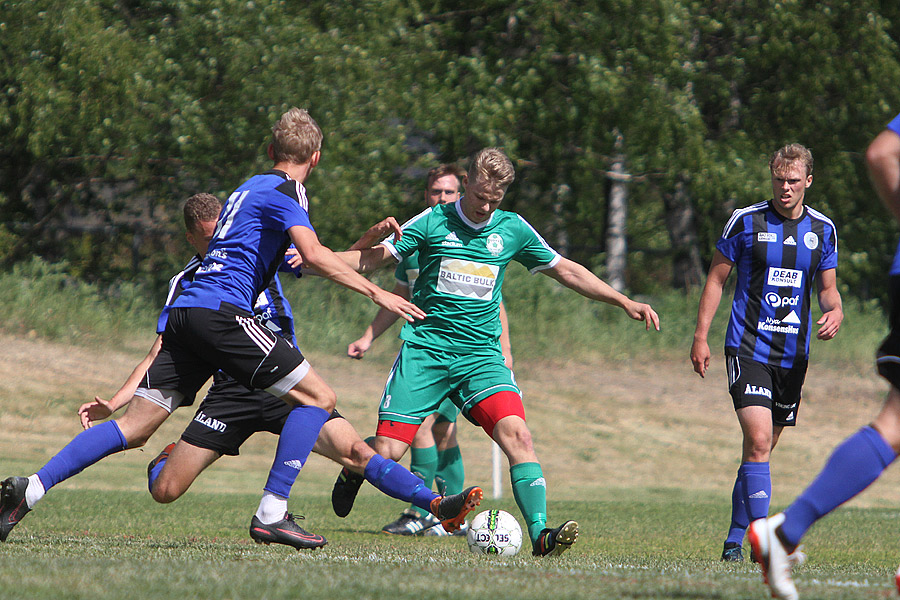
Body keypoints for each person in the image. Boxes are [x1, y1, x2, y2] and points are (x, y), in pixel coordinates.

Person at [0, 108, 479, 547]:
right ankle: (272, 512)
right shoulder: (290, 191)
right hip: (223, 317)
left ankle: (29, 489)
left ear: (271, 152)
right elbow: (312, 256)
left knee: (135, 429)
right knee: (320, 397)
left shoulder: (248, 187)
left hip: (192, 314)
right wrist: (379, 292)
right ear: (316, 156)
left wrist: (365, 242)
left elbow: (302, 260)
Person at [330, 147, 660, 557]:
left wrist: (622, 300)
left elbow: (566, 269)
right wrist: (318, 257)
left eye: (495, 200)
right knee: (387, 453)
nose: (486, 206)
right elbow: (371, 261)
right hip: (427, 352)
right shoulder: (433, 221)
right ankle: (355, 464)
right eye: (480, 196)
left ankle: (540, 534)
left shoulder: (513, 229)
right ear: (466, 183)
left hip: (481, 358)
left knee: (519, 435)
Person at [130, 194, 482, 548]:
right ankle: (166, 459)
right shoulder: (189, 282)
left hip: (288, 384)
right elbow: (160, 350)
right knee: (165, 490)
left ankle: (436, 505)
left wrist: (366, 241)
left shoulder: (259, 255)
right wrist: (122, 403)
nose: (219, 239)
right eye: (209, 236)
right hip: (231, 393)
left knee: (357, 453)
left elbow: (324, 263)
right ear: (191, 239)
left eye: (223, 229)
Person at [747, 118, 900, 600]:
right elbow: (881, 153)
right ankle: (783, 531)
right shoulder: (750, 221)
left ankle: (785, 533)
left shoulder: (822, 230)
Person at [690, 143, 842, 564]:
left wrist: (836, 312)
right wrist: (701, 336)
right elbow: (717, 280)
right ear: (771, 177)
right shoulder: (746, 221)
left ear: (808, 181)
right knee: (757, 440)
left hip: (793, 357)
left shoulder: (823, 230)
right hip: (747, 347)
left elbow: (828, 290)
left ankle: (734, 542)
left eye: (794, 181)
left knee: (759, 453)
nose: (785, 188)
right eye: (779, 179)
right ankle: (765, 543)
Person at [346, 164, 513, 537]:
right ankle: (419, 501)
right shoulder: (415, 242)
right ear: (427, 197)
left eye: (448, 193)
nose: (442, 198)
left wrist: (505, 347)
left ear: (462, 193)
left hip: (466, 351)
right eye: (435, 192)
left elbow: (490, 299)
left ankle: (432, 512)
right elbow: (398, 298)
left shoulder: (473, 236)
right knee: (419, 433)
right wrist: (368, 337)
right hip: (425, 350)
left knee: (441, 431)